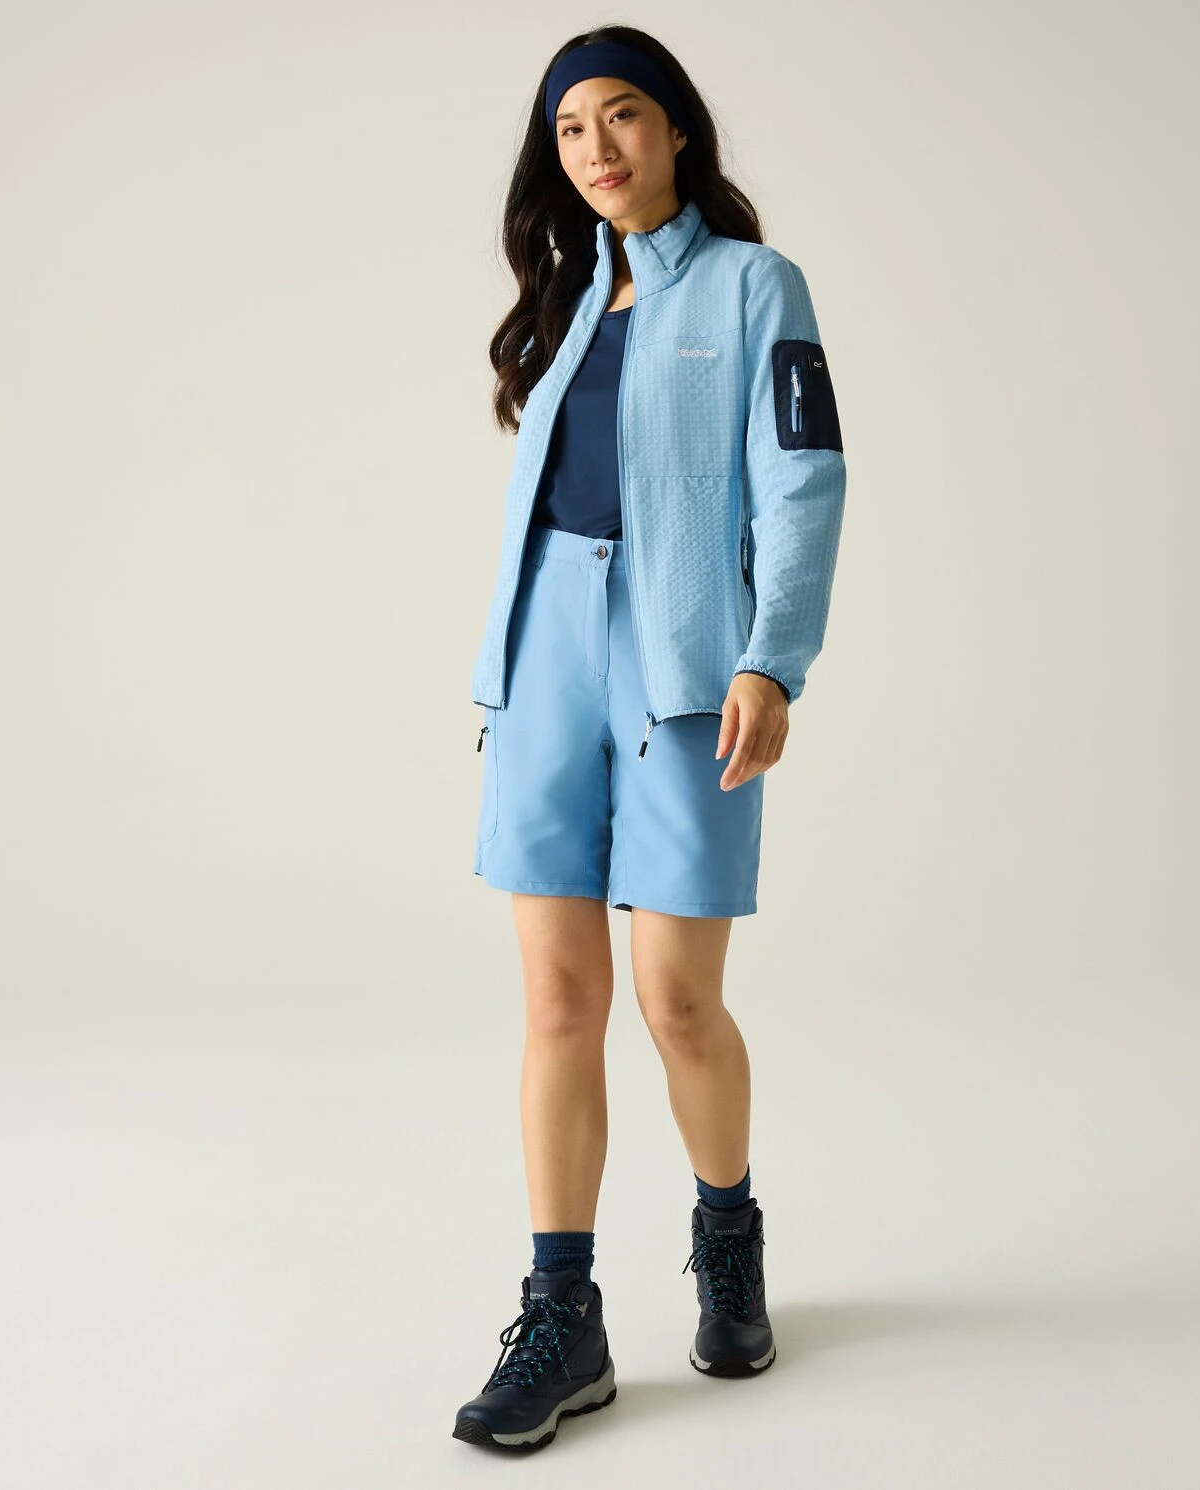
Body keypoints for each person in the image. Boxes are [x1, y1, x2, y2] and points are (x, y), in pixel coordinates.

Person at [456, 24, 846, 1452]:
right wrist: (504, 675)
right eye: (571, 130)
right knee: (558, 1000)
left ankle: (726, 1240)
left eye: (622, 116)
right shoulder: (564, 301)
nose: (597, 148)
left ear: (677, 128)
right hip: (544, 659)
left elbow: (802, 480)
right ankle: (563, 1311)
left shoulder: (753, 285)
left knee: (677, 1000)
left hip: (685, 669)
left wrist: (771, 660)